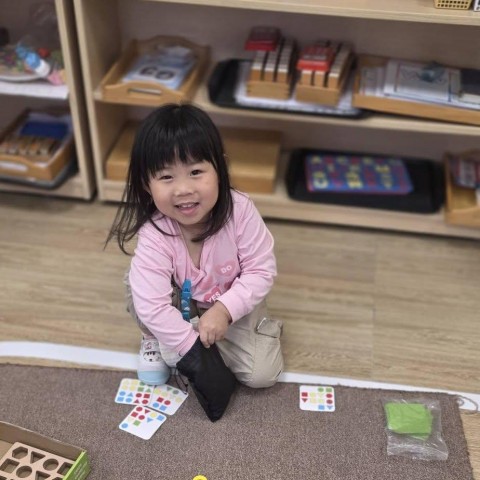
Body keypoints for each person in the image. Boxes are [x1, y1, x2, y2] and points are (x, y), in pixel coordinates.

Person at [106, 103, 283, 421]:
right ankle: (152, 337)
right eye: (166, 176)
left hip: (231, 299)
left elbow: (260, 270)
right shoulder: (155, 233)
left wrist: (224, 310)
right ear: (147, 184)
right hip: (182, 302)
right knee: (146, 298)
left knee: (262, 375)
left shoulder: (241, 210)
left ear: (220, 168)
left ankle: (221, 333)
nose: (184, 189)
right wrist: (194, 351)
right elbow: (153, 305)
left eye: (196, 172)